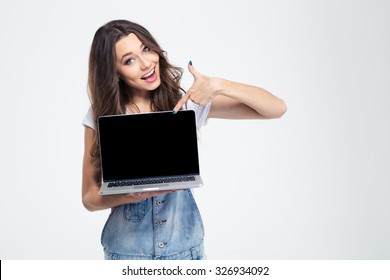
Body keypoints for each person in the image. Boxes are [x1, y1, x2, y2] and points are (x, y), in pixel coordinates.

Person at [82, 19, 286, 260]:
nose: (147, 63)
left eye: (146, 49)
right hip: (127, 255)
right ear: (114, 72)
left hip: (185, 252)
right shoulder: (102, 116)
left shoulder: (185, 103)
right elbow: (89, 198)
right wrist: (130, 194)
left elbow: (275, 108)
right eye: (130, 60)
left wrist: (218, 85)